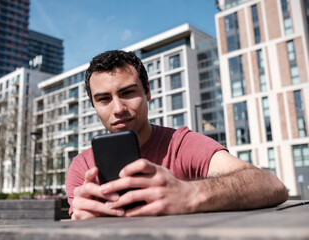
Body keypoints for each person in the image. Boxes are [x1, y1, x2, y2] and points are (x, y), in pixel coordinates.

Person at [65, 50, 288, 220]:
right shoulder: (82, 166)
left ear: (148, 92)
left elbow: (271, 185)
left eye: (128, 93)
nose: (118, 108)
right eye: (104, 99)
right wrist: (82, 220)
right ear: (94, 105)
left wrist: (189, 194)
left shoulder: (181, 144)